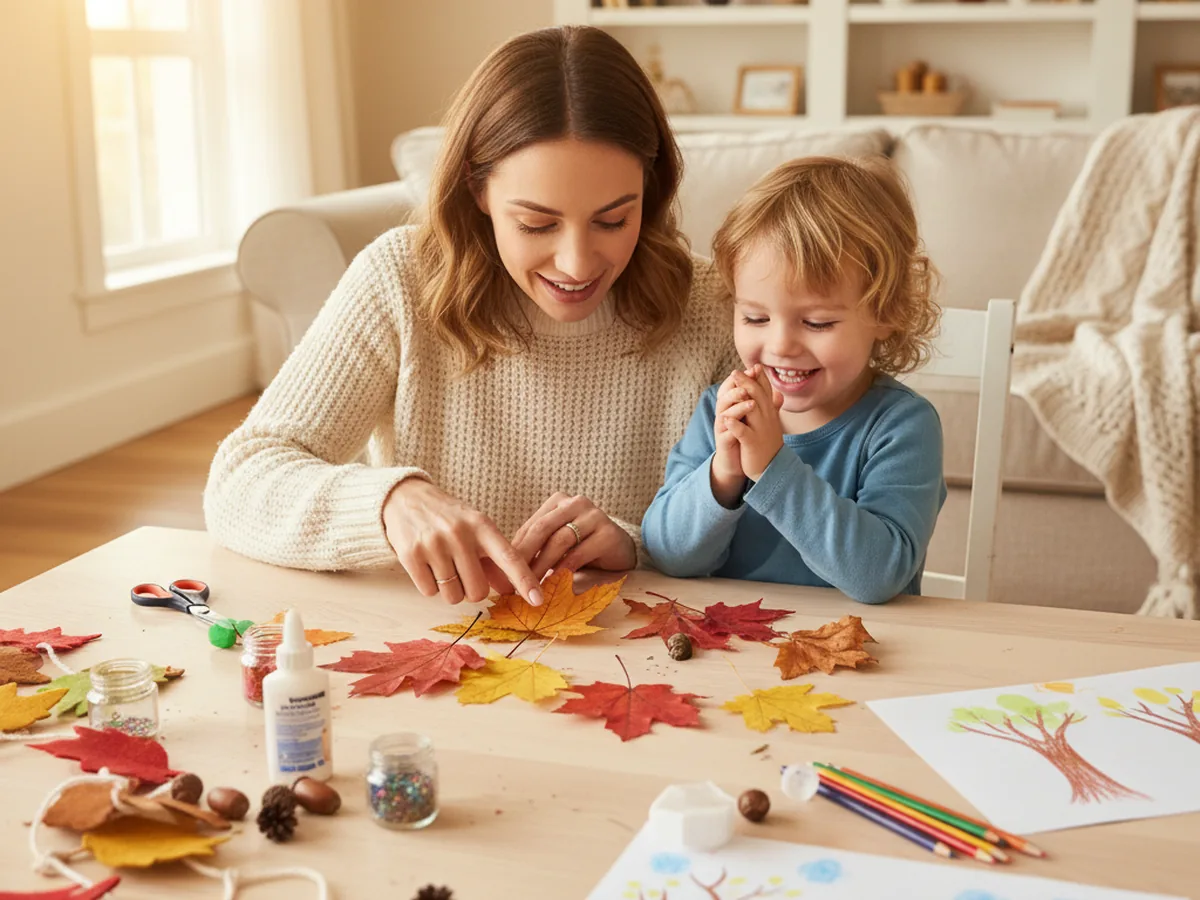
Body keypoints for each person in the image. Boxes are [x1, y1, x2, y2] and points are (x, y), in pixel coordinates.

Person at [203, 26, 737, 608]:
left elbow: (784, 521)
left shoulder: (712, 305)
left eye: (613, 220)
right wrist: (389, 502)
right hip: (428, 642)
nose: (577, 263)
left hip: (636, 655)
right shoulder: (399, 279)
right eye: (537, 224)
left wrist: (639, 545)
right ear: (476, 188)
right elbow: (239, 481)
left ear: (650, 189)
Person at [641, 156, 946, 605]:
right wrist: (723, 473)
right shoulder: (720, 409)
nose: (780, 344)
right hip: (733, 649)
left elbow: (879, 575)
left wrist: (769, 467)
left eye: (818, 323)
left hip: (861, 652)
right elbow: (668, 555)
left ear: (886, 313)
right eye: (755, 316)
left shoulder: (901, 426)